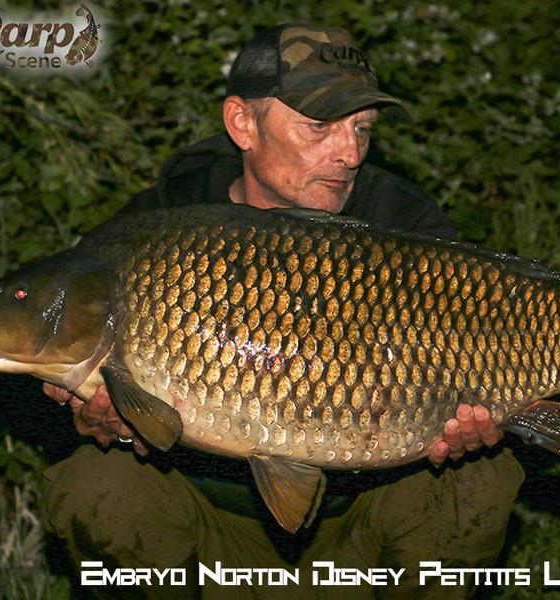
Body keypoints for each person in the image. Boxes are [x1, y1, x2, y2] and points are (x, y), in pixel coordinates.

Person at [41, 23, 524, 599]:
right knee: (97, 488)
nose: (348, 154)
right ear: (243, 123)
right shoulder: (157, 231)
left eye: (362, 129)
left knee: (477, 481)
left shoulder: (403, 225)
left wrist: (479, 419)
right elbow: (82, 403)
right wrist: (107, 423)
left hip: (363, 532)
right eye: (319, 126)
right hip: (208, 529)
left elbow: (489, 350)